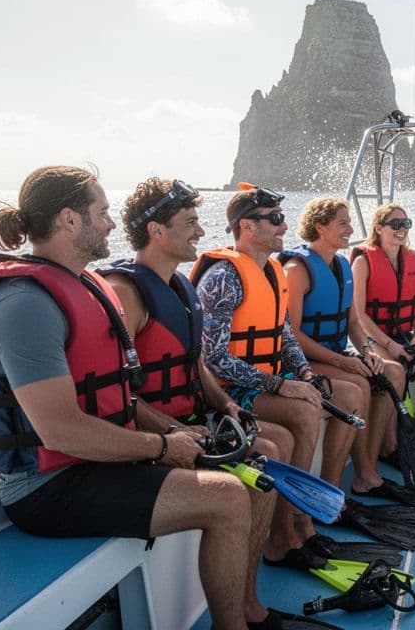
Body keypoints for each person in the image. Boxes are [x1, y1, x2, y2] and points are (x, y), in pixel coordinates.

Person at [0, 166, 280, 630]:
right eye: (102, 212)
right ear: (70, 220)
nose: (110, 224)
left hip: (100, 461)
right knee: (227, 497)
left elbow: (118, 394)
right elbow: (61, 431)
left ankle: (249, 610)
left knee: (256, 466)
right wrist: (164, 447)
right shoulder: (23, 305)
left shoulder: (89, 286)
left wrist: (173, 431)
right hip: (49, 488)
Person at [100, 177, 306, 571]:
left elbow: (196, 362)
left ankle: (254, 587)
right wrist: (170, 432)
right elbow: (119, 390)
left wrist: (227, 404)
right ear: (156, 230)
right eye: (191, 221)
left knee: (273, 447)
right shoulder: (126, 292)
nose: (201, 231)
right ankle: (248, 600)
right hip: (159, 433)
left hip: (198, 418)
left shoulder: (181, 285)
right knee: (270, 450)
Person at [191, 184, 366, 564]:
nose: (283, 226)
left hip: (266, 382)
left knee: (342, 395)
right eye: (274, 219)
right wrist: (278, 384)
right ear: (246, 227)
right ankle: (284, 535)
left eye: (282, 218)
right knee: (303, 413)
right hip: (230, 393)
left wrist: (303, 373)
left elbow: (285, 334)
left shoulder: (271, 270)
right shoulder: (223, 277)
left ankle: (306, 520)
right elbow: (214, 358)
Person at [280, 198, 404, 497]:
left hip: (335, 355)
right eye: (343, 223)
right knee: (359, 384)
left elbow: (352, 323)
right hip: (302, 362)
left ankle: (366, 470)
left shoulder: (343, 265)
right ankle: (336, 486)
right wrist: (344, 362)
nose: (351, 229)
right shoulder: (297, 269)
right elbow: (292, 334)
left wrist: (368, 350)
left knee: (394, 373)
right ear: (320, 226)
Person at [350, 202, 415, 440]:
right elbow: (360, 316)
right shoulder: (363, 263)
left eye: (406, 224)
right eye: (395, 224)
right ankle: (391, 444)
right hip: (375, 337)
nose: (402, 229)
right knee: (395, 369)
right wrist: (391, 346)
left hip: (407, 334)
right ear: (379, 228)